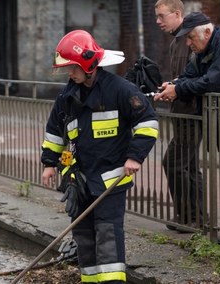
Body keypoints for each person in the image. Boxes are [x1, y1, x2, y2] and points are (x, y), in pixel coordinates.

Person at [41, 30, 158, 283]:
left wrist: (135, 157)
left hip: (110, 179)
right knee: (83, 235)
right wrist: (49, 163)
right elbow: (54, 131)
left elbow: (148, 123)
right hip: (78, 179)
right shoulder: (67, 96)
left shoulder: (120, 90)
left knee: (107, 234)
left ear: (88, 64)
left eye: (72, 68)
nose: (69, 74)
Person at [154, 12, 220, 238]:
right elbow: (189, 76)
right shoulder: (203, 52)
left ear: (207, 32)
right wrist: (174, 84)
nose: (188, 43)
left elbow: (215, 80)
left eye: (190, 38)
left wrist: (178, 90)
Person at [154, 0, 204, 231]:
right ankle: (192, 216)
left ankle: (191, 217)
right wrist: (170, 86)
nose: (158, 21)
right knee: (189, 165)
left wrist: (178, 89)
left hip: (192, 113)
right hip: (182, 113)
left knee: (174, 163)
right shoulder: (176, 42)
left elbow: (196, 79)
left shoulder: (190, 41)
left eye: (162, 16)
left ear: (177, 14)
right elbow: (184, 78)